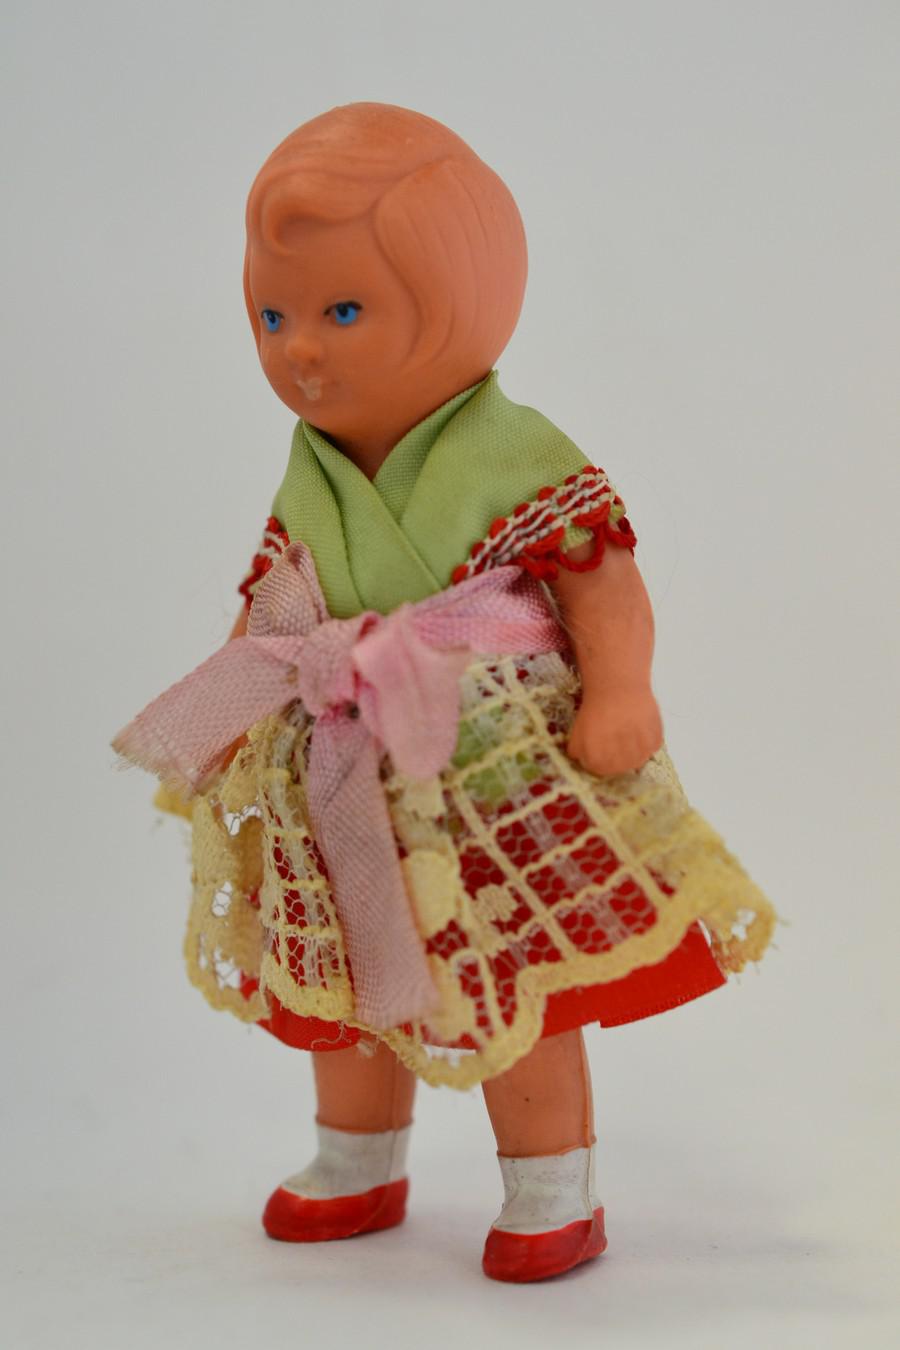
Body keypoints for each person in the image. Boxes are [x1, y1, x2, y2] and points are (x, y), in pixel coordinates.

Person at [115, 103, 775, 1283]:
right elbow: (279, 605)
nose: (299, 349)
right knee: (347, 978)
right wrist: (227, 715)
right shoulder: (315, 470)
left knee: (515, 980)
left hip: (493, 765)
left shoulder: (510, 451)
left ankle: (552, 1183)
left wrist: (620, 688)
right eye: (271, 317)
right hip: (344, 762)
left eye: (342, 312)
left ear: (461, 304)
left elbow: (603, 583)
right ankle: (356, 1157)